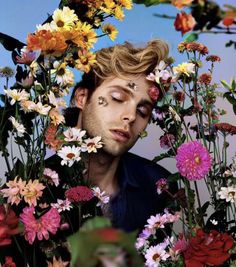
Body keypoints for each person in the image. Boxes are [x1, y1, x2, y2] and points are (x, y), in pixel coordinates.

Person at [50, 39, 175, 232]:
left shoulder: (159, 186)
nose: (131, 116)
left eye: (142, 110)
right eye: (117, 98)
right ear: (82, 98)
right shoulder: (33, 188)